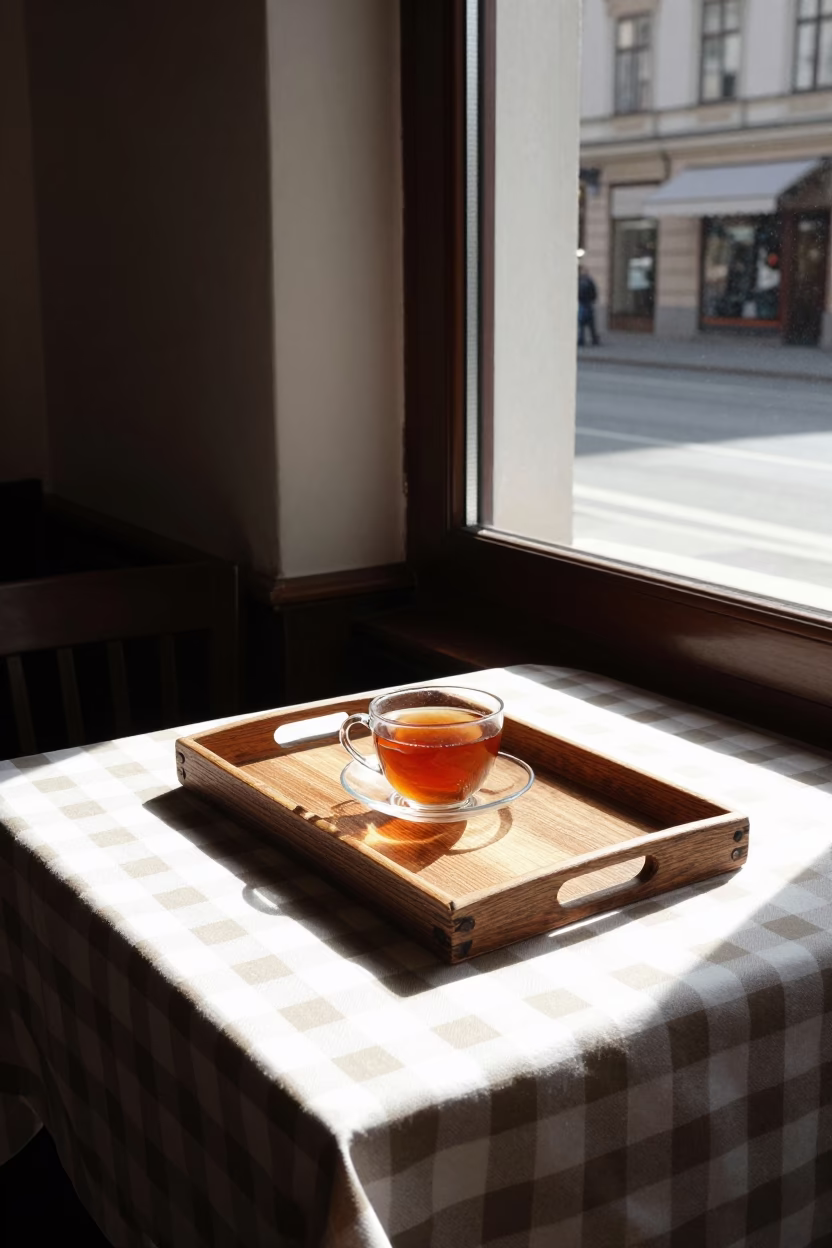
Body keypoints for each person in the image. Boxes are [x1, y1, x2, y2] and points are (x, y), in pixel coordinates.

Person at [577, 265, 600, 347]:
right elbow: (594, 293)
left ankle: (582, 339)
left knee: (582, 322)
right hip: (586, 304)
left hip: (583, 303)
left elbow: (592, 293)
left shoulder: (581, 281)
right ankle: (593, 339)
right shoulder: (588, 281)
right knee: (589, 323)